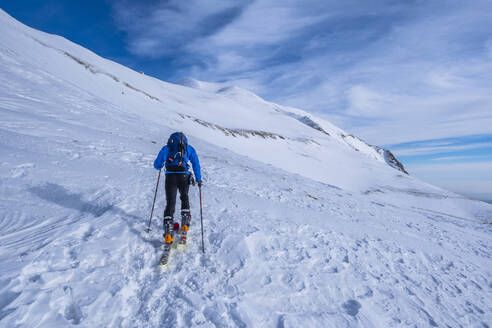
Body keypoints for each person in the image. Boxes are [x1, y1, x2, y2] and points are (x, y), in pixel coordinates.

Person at [153, 132, 202, 243]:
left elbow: (157, 165)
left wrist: (160, 165)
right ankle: (185, 223)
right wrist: (199, 179)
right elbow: (196, 164)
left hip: (170, 176)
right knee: (184, 197)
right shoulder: (188, 148)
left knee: (170, 202)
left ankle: (168, 231)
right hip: (184, 176)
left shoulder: (167, 148)